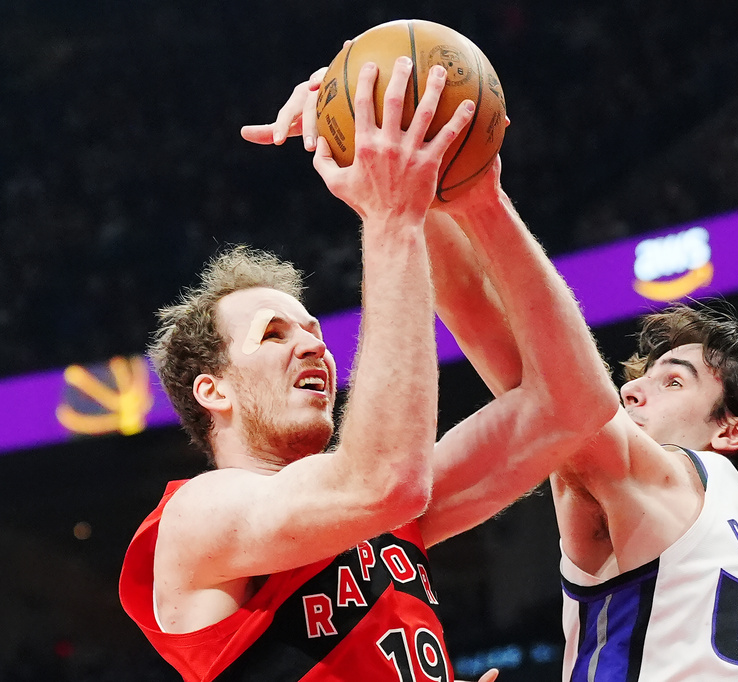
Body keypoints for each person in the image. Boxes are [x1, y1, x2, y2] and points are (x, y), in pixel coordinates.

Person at [260, 62, 738, 681]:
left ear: (731, 433)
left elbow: (531, 367)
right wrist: (408, 180)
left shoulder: (680, 482)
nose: (633, 388)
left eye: (674, 380)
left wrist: (458, 192)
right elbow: (515, 348)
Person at [119, 57, 619, 682]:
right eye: (273, 335)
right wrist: (390, 217)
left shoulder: (385, 514)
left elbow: (575, 406)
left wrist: (477, 201)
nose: (313, 348)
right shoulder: (195, 521)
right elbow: (384, 480)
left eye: (315, 333)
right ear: (211, 389)